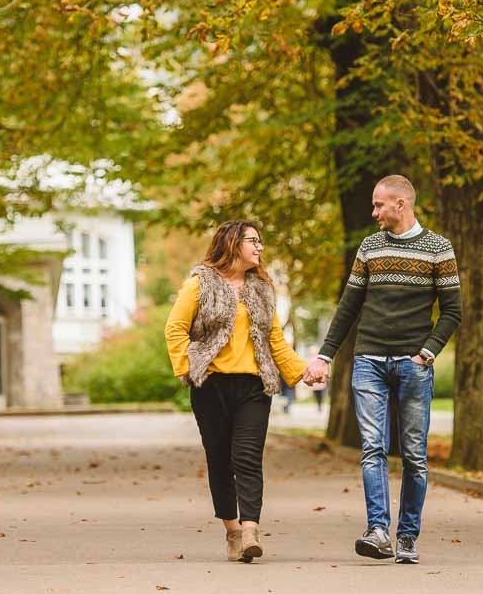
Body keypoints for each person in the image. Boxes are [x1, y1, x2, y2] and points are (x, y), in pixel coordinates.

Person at [303, 175, 461, 565]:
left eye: (379, 205)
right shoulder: (370, 247)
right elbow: (349, 306)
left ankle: (407, 536)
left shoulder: (439, 249)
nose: (373, 212)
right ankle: (377, 531)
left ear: (401, 204)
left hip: (413, 364)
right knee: (372, 447)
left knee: (414, 454)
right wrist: (325, 355)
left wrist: (425, 353)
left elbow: (453, 311)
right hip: (369, 360)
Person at [165, 220, 306, 563]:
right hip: (211, 385)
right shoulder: (200, 284)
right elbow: (175, 329)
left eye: (261, 242)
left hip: (254, 386)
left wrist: (302, 372)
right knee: (219, 459)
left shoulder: (261, 290)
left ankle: (250, 530)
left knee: (247, 457)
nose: (259, 248)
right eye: (253, 241)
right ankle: (232, 531)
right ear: (232, 243)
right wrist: (191, 369)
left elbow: (274, 340)